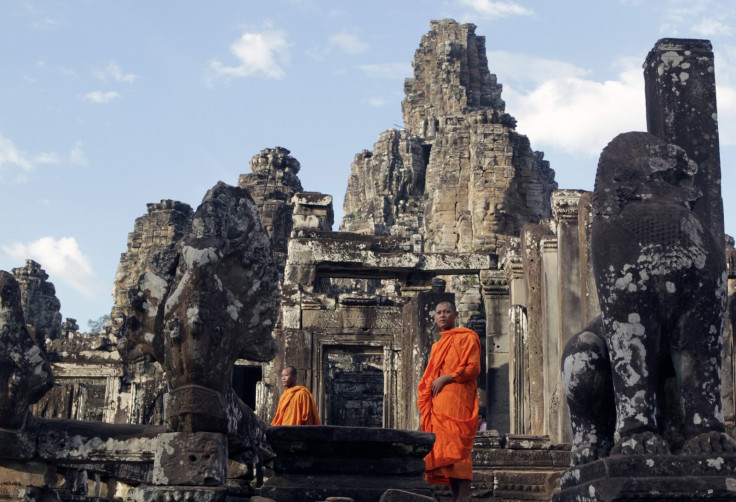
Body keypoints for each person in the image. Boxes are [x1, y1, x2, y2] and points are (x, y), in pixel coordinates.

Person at [417, 301, 481, 502]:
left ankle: (463, 497)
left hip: (459, 400)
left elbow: (473, 368)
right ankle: (455, 498)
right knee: (447, 452)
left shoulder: (467, 337)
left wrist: (447, 378)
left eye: (447, 312)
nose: (443, 315)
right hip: (440, 404)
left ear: (456, 314)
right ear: (434, 317)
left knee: (460, 449)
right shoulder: (437, 345)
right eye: (439, 312)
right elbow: (431, 375)